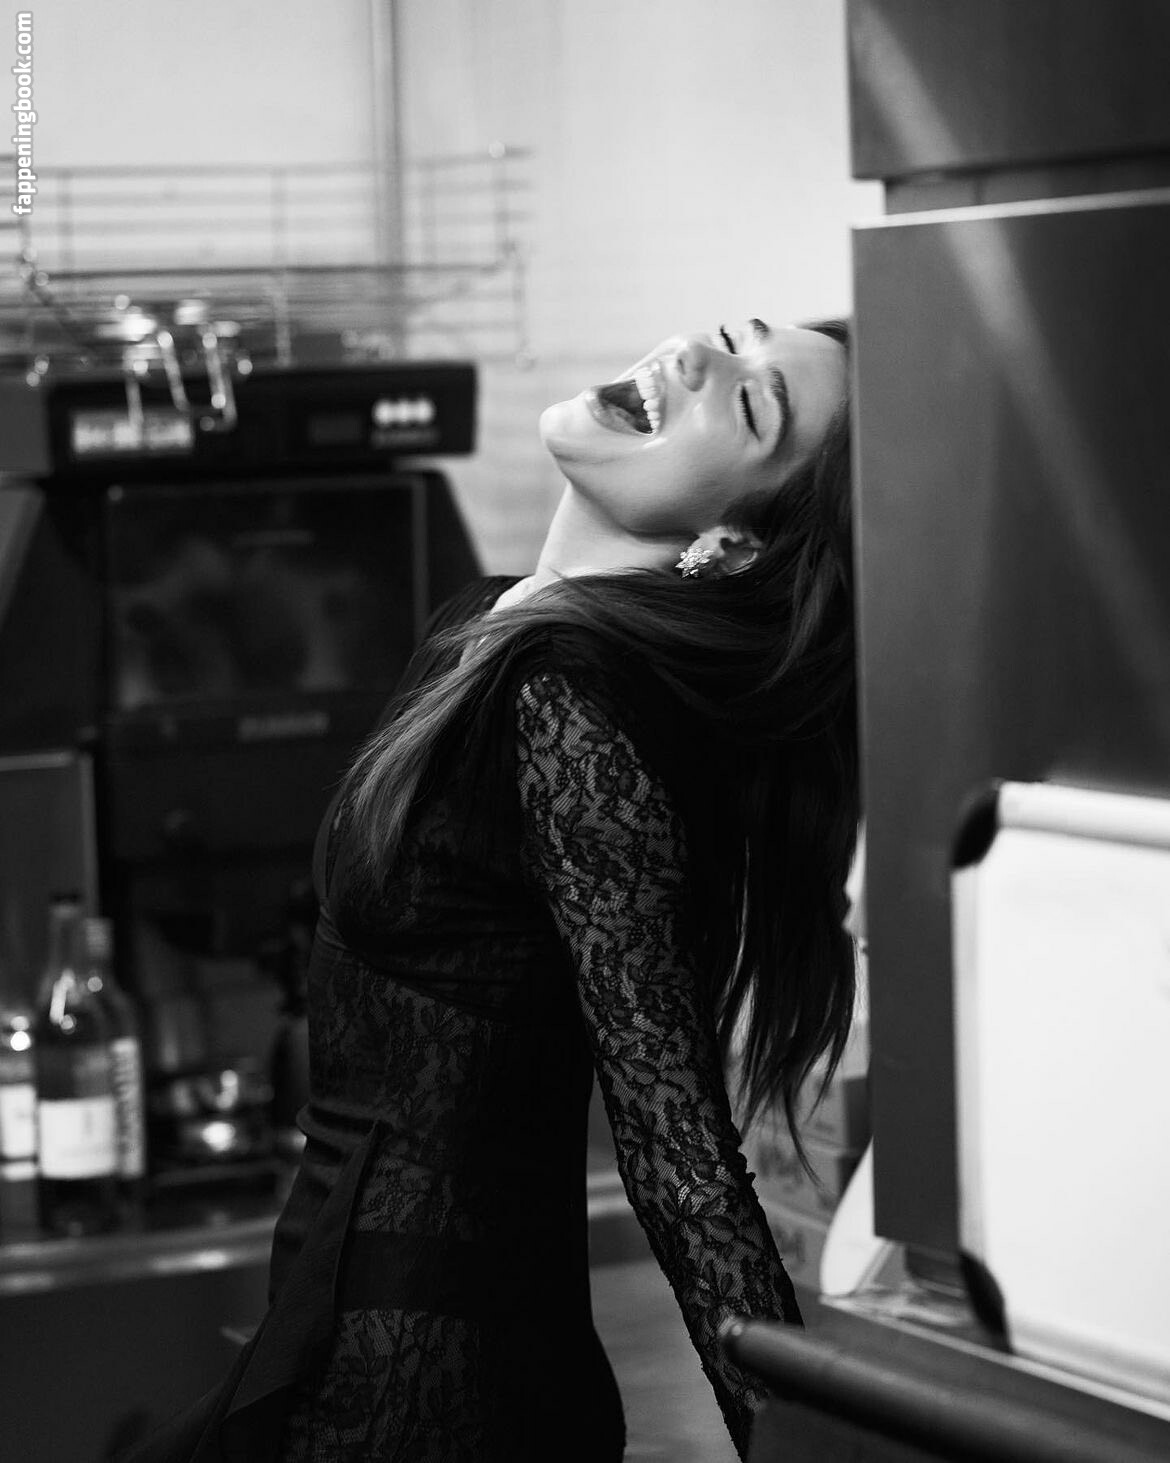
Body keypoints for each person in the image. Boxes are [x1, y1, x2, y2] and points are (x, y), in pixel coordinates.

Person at [125, 317, 859, 1463]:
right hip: (336, 1315)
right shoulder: (491, 625)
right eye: (729, 335)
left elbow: (675, 1145)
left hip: (423, 1383)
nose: (696, 358)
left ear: (732, 544)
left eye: (751, 400)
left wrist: (796, 1448)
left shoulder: (574, 698)